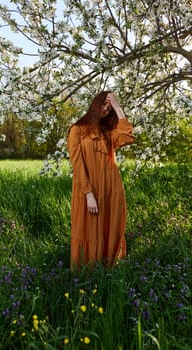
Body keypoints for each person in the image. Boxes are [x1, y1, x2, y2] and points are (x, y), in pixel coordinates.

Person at [67, 91, 135, 270]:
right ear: (95, 104)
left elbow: (127, 138)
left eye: (109, 107)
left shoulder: (108, 132)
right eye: (103, 104)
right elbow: (78, 165)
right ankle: (86, 273)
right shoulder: (77, 130)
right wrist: (88, 194)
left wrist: (119, 108)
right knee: (87, 227)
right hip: (88, 190)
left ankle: (109, 268)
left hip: (112, 188)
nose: (105, 109)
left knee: (110, 224)